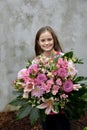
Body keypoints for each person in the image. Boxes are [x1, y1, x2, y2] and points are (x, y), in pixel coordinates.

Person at [33, 26, 71, 130]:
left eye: (49, 39)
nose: (46, 43)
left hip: (61, 108)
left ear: (54, 39)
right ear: (38, 42)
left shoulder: (63, 57)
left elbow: (70, 79)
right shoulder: (36, 61)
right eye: (43, 40)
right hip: (46, 109)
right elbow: (34, 83)